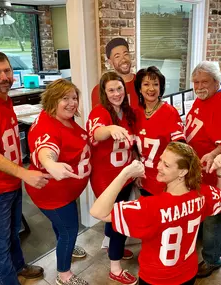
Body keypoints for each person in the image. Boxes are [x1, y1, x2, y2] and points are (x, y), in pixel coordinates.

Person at [90, 142, 221, 285]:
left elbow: (98, 212)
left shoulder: (150, 207)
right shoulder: (202, 195)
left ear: (183, 172)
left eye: (166, 165)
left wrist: (124, 174)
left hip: (155, 278)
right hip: (188, 274)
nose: (158, 166)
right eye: (161, 160)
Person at [25, 79, 91, 285]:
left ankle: (67, 246)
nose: (72, 103)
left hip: (64, 191)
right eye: (65, 98)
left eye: (74, 98)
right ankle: (64, 275)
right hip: (53, 194)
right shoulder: (48, 126)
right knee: (69, 230)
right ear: (53, 100)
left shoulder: (63, 118)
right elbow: (46, 149)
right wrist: (50, 164)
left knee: (62, 227)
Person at [0, 51, 47, 285]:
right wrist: (26, 173)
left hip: (11, 183)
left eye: (7, 70)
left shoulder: (6, 99)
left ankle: (20, 267)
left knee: (13, 233)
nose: (4, 77)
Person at [184, 61, 221, 278]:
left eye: (204, 82)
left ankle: (212, 259)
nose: (199, 86)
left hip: (216, 174)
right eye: (196, 81)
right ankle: (204, 244)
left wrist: (211, 154)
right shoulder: (203, 98)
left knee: (213, 218)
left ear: (216, 82)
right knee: (203, 214)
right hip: (198, 171)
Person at [86, 72, 137, 285]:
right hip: (107, 180)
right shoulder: (100, 111)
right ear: (104, 93)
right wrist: (110, 128)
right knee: (118, 221)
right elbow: (97, 132)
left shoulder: (127, 111)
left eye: (119, 89)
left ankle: (111, 247)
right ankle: (115, 268)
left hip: (124, 176)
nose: (116, 94)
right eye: (111, 90)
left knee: (114, 218)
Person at [134, 66, 185, 196]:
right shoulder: (135, 112)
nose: (151, 89)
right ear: (139, 89)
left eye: (155, 84)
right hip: (144, 179)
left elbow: (181, 148)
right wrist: (137, 172)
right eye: (146, 84)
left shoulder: (170, 113)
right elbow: (134, 147)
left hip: (164, 182)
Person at [91, 37, 138, 109]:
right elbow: (98, 118)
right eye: (117, 56)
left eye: (126, 54)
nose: (123, 59)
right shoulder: (100, 90)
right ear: (110, 62)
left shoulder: (142, 84)